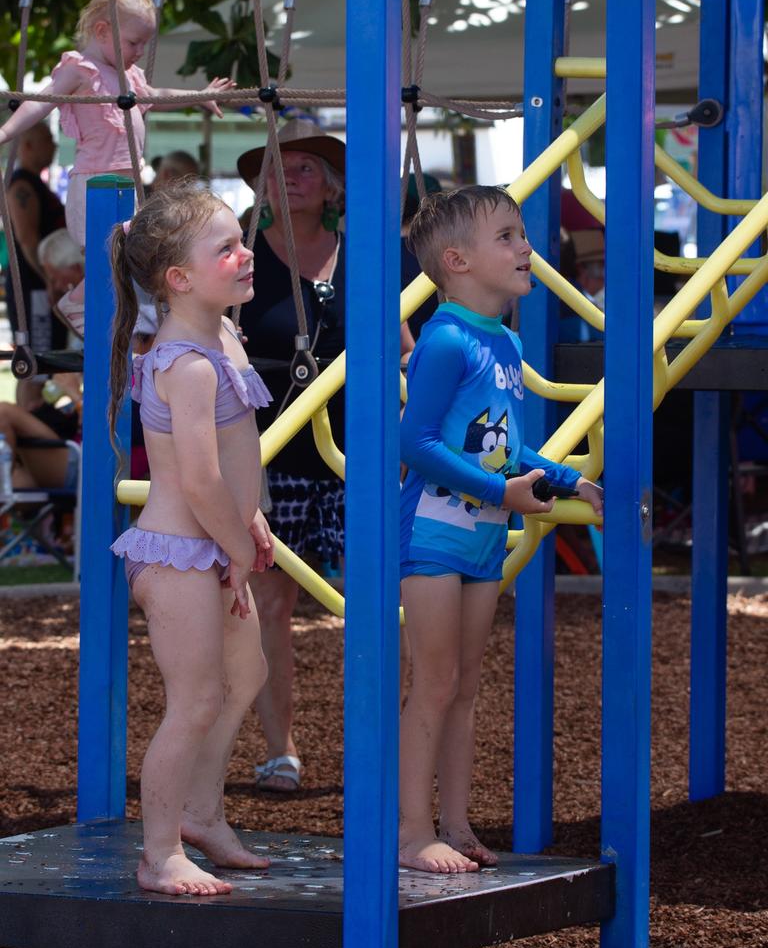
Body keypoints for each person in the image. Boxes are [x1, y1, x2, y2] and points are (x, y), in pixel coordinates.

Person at [399, 186, 604, 873]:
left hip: (482, 537)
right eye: (509, 237)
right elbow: (417, 443)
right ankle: (409, 832)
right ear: (456, 261)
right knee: (432, 682)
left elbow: (507, 446)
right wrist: (503, 492)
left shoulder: (507, 342)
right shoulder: (447, 340)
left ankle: (456, 824)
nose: (526, 248)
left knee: (462, 685)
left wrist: (567, 479)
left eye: (522, 234)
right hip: (433, 534)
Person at [237, 120, 417, 791]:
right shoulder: (245, 257)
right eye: (280, 166)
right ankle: (280, 748)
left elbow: (401, 344)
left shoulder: (363, 255)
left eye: (307, 166)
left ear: (334, 187)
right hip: (275, 453)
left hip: (358, 456)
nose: (292, 176)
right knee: (273, 603)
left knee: (381, 596)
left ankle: (391, 737)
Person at [107, 182, 274, 896]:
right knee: (196, 699)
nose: (245, 255)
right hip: (181, 554)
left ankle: (203, 814)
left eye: (242, 241)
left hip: (217, 544)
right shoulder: (187, 363)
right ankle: (159, 851)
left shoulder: (222, 336)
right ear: (178, 280)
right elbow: (200, 481)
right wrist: (238, 546)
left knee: (248, 677)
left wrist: (252, 520)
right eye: (226, 249)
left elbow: (240, 454)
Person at [0, 0, 234, 336]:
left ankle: (127, 317)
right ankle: (79, 304)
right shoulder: (81, 70)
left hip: (128, 185)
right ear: (102, 31)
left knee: (137, 255)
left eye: (144, 43)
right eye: (133, 42)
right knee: (111, 258)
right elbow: (39, 100)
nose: (140, 51)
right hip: (95, 183)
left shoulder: (129, 77)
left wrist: (199, 95)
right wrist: (5, 132)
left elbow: (158, 94)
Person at [4, 123, 67, 357]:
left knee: (49, 358)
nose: (54, 145)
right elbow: (27, 238)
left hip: (42, 286)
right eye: (48, 140)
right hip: (33, 288)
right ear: (29, 145)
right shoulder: (22, 185)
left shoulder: (34, 183)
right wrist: (49, 279)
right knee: (37, 363)